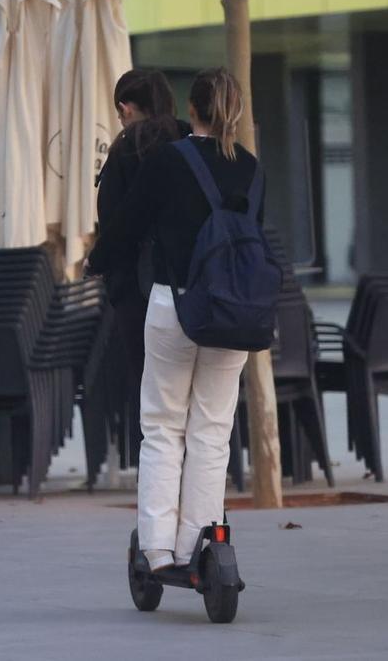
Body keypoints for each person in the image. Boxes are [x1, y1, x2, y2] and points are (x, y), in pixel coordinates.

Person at [92, 68, 263, 571]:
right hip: (231, 311)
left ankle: (158, 549)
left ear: (192, 110)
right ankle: (201, 543)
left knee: (164, 427)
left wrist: (97, 261)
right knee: (213, 430)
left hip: (174, 306)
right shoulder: (252, 168)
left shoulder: (170, 160)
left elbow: (125, 227)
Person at [86, 69, 189, 444]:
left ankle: (162, 493)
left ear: (125, 108)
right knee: (195, 403)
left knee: (155, 402)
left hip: (141, 291)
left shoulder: (128, 148)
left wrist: (96, 262)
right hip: (194, 289)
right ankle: (202, 495)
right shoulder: (188, 140)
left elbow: (117, 221)